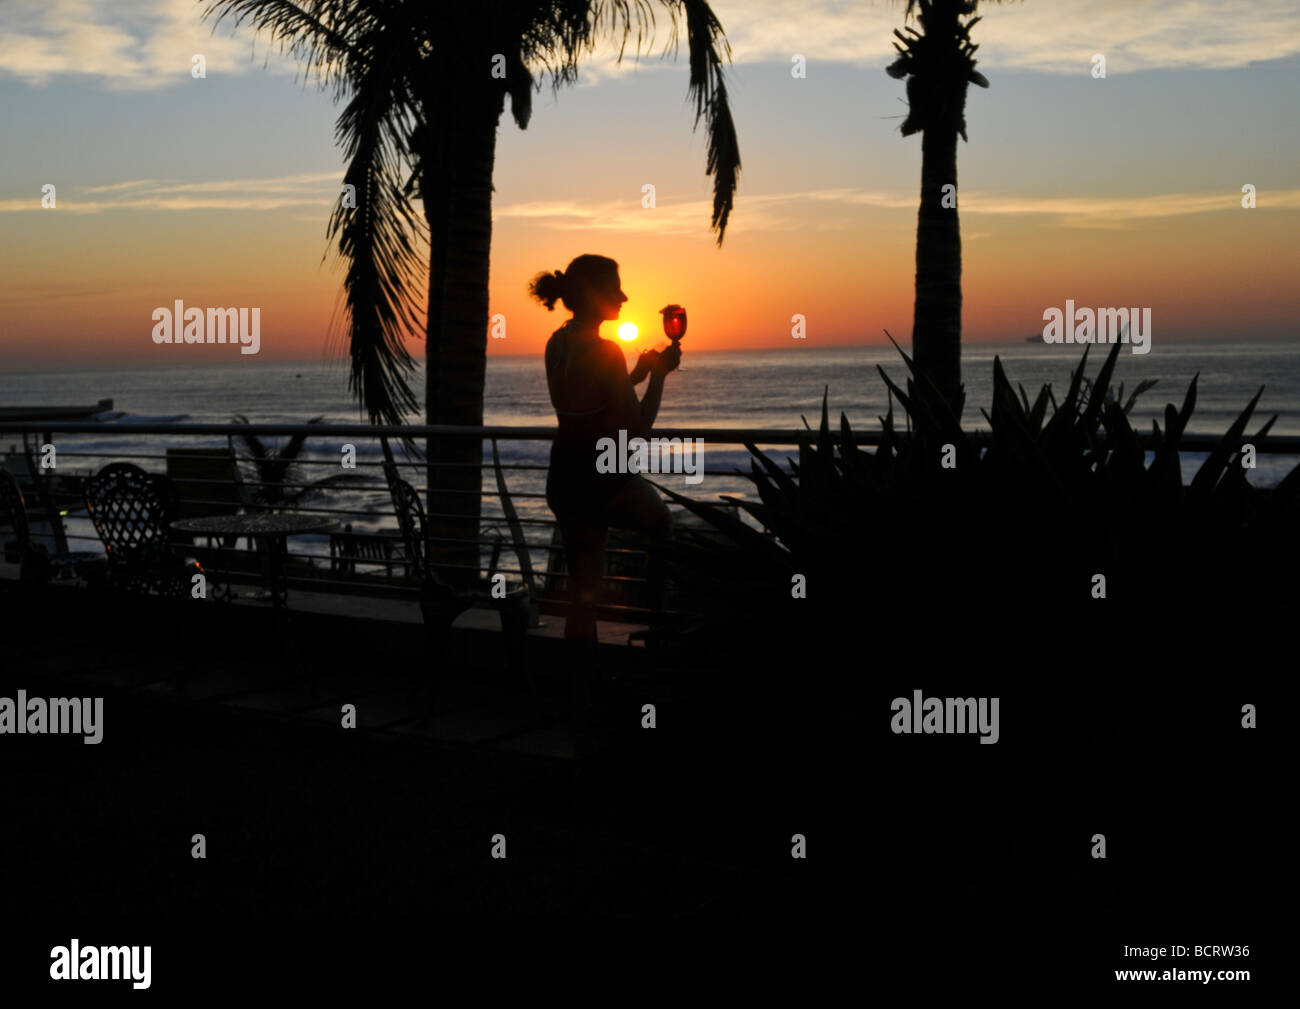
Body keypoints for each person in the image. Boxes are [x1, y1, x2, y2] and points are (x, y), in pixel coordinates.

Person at [530, 254, 680, 699]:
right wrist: (660, 378)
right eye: (616, 288)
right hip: (602, 475)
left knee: (583, 589)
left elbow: (589, 400)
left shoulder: (558, 341)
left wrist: (634, 375)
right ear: (596, 294)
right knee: (662, 526)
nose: (624, 296)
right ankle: (655, 640)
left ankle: (582, 688)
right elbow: (636, 428)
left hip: (565, 474)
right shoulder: (606, 349)